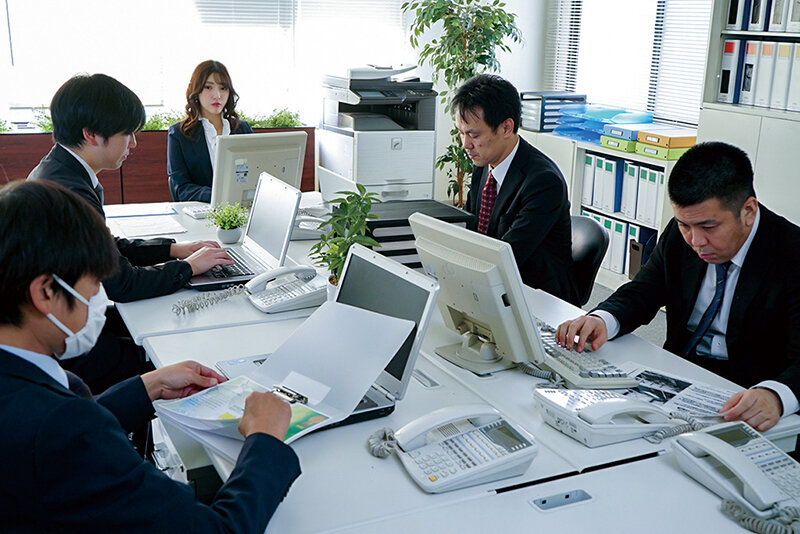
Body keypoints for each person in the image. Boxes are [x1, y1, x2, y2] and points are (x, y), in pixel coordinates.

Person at [0, 180, 300, 532]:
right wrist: (264, 440)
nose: (98, 298)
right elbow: (219, 529)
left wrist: (147, 387)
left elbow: (57, 437)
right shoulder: (61, 429)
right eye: (94, 285)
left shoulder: (23, 381)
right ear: (46, 293)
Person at [556, 142, 800, 432]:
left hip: (747, 393)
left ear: (748, 211)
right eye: (685, 225)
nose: (696, 241)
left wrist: (776, 395)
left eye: (709, 228)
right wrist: (602, 319)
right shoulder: (679, 233)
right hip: (679, 375)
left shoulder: (792, 254)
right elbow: (643, 291)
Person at [27, 73, 233, 392]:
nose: (134, 144)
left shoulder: (59, 169)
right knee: (188, 350)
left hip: (60, 326)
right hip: (70, 350)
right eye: (127, 133)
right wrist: (188, 268)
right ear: (91, 134)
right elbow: (123, 283)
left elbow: (107, 246)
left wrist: (173, 250)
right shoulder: (71, 192)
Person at [453, 74, 579, 305]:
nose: (465, 144)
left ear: (506, 127)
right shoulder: (484, 164)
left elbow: (509, 255)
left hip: (536, 296)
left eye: (473, 134)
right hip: (494, 287)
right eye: (461, 133)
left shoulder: (543, 182)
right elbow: (471, 228)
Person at [168, 60, 253, 202]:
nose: (217, 95)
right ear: (196, 90)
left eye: (223, 88)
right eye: (208, 87)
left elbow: (255, 175)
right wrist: (219, 196)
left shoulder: (242, 129)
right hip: (202, 210)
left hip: (240, 208)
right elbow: (181, 189)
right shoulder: (179, 134)